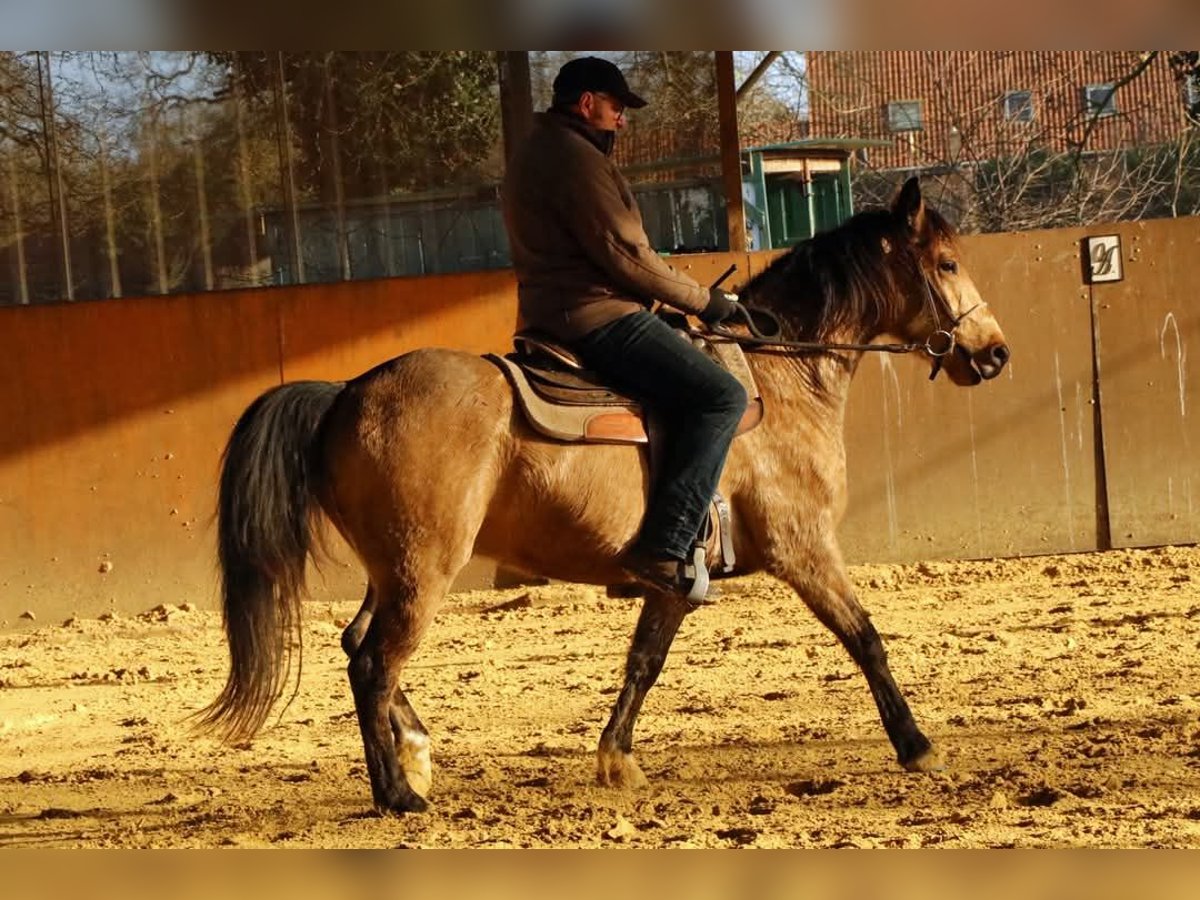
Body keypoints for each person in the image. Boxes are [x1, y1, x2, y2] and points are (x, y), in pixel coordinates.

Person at [501, 56, 747, 602]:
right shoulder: (574, 159)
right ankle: (663, 548)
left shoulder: (537, 153)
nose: (622, 120)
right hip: (596, 317)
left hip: (552, 312)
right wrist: (707, 302)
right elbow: (628, 256)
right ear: (587, 103)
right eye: (616, 108)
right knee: (721, 397)